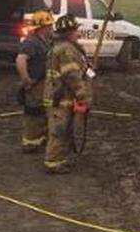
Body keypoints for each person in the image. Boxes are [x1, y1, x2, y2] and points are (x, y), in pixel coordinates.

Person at [43, 14, 91, 174]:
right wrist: (82, 95)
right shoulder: (66, 50)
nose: (78, 33)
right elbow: (71, 75)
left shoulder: (66, 47)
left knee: (65, 130)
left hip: (62, 97)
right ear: (69, 32)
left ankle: (60, 159)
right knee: (59, 131)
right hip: (61, 98)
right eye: (76, 30)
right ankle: (54, 162)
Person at [15, 10, 54, 153]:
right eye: (49, 26)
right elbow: (20, 59)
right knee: (33, 113)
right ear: (42, 27)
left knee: (43, 112)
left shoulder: (44, 42)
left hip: (43, 83)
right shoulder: (31, 42)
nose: (51, 29)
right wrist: (26, 79)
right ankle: (30, 143)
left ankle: (39, 139)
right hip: (35, 84)